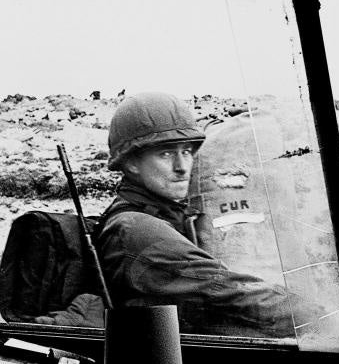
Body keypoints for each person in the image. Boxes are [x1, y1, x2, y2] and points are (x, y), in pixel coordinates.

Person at [96, 92, 314, 337]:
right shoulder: (136, 229)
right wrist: (320, 317)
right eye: (166, 154)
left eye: (187, 152)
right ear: (132, 163)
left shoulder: (162, 216)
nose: (181, 167)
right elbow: (228, 291)